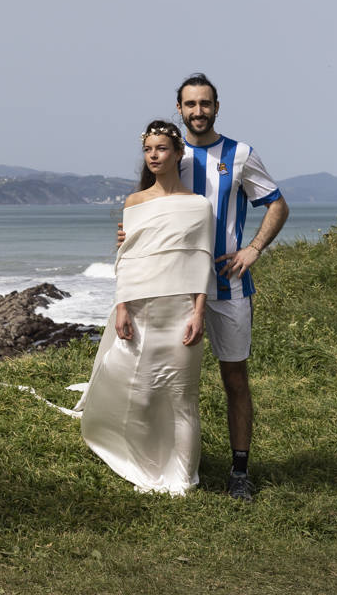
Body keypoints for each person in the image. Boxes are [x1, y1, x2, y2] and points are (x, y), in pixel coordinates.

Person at [78, 121, 213, 495]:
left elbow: (202, 260)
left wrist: (199, 313)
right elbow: (129, 260)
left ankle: (182, 478)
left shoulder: (199, 206)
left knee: (181, 397)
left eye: (162, 149)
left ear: (178, 153)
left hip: (182, 310)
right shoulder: (135, 202)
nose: (154, 155)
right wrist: (122, 307)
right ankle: (144, 463)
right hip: (141, 308)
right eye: (149, 149)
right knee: (138, 391)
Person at [175, 72, 289, 501]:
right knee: (170, 378)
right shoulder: (168, 153)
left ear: (216, 107)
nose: (198, 111)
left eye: (205, 104)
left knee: (235, 378)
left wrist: (254, 248)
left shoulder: (240, 155)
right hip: (177, 287)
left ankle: (239, 472)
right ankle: (172, 463)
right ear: (180, 109)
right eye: (190, 104)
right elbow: (147, 205)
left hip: (228, 286)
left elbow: (277, 204)